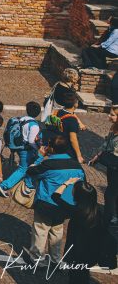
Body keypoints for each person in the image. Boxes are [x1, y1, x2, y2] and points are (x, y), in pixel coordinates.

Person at [26, 134, 86, 262]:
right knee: (57, 232)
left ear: (51, 148)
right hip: (65, 206)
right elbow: (82, 184)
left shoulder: (48, 164)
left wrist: (39, 157)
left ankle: (37, 260)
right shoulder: (77, 166)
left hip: (46, 204)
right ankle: (56, 259)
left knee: (41, 231)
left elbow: (31, 171)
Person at [53, 178, 118, 283]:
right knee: (83, 276)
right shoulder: (97, 210)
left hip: (77, 253)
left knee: (76, 278)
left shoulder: (76, 211)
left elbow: (55, 196)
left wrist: (66, 183)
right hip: (92, 253)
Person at [0, 101, 42, 194]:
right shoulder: (34, 125)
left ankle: (29, 183)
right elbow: (31, 141)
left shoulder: (21, 119)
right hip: (25, 149)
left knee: (30, 164)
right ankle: (5, 186)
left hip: (18, 146)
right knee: (23, 168)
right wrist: (38, 148)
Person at [90, 106, 118, 225]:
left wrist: (103, 156)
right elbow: (106, 144)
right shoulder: (113, 128)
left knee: (110, 193)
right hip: (112, 166)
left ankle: (109, 217)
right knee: (113, 190)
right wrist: (98, 155)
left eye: (112, 115)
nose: (109, 116)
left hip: (115, 165)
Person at [55, 91, 86, 163]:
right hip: (67, 149)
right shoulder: (72, 121)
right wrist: (79, 155)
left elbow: (71, 113)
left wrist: (80, 122)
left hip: (57, 144)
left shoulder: (59, 112)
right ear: (75, 104)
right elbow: (73, 139)